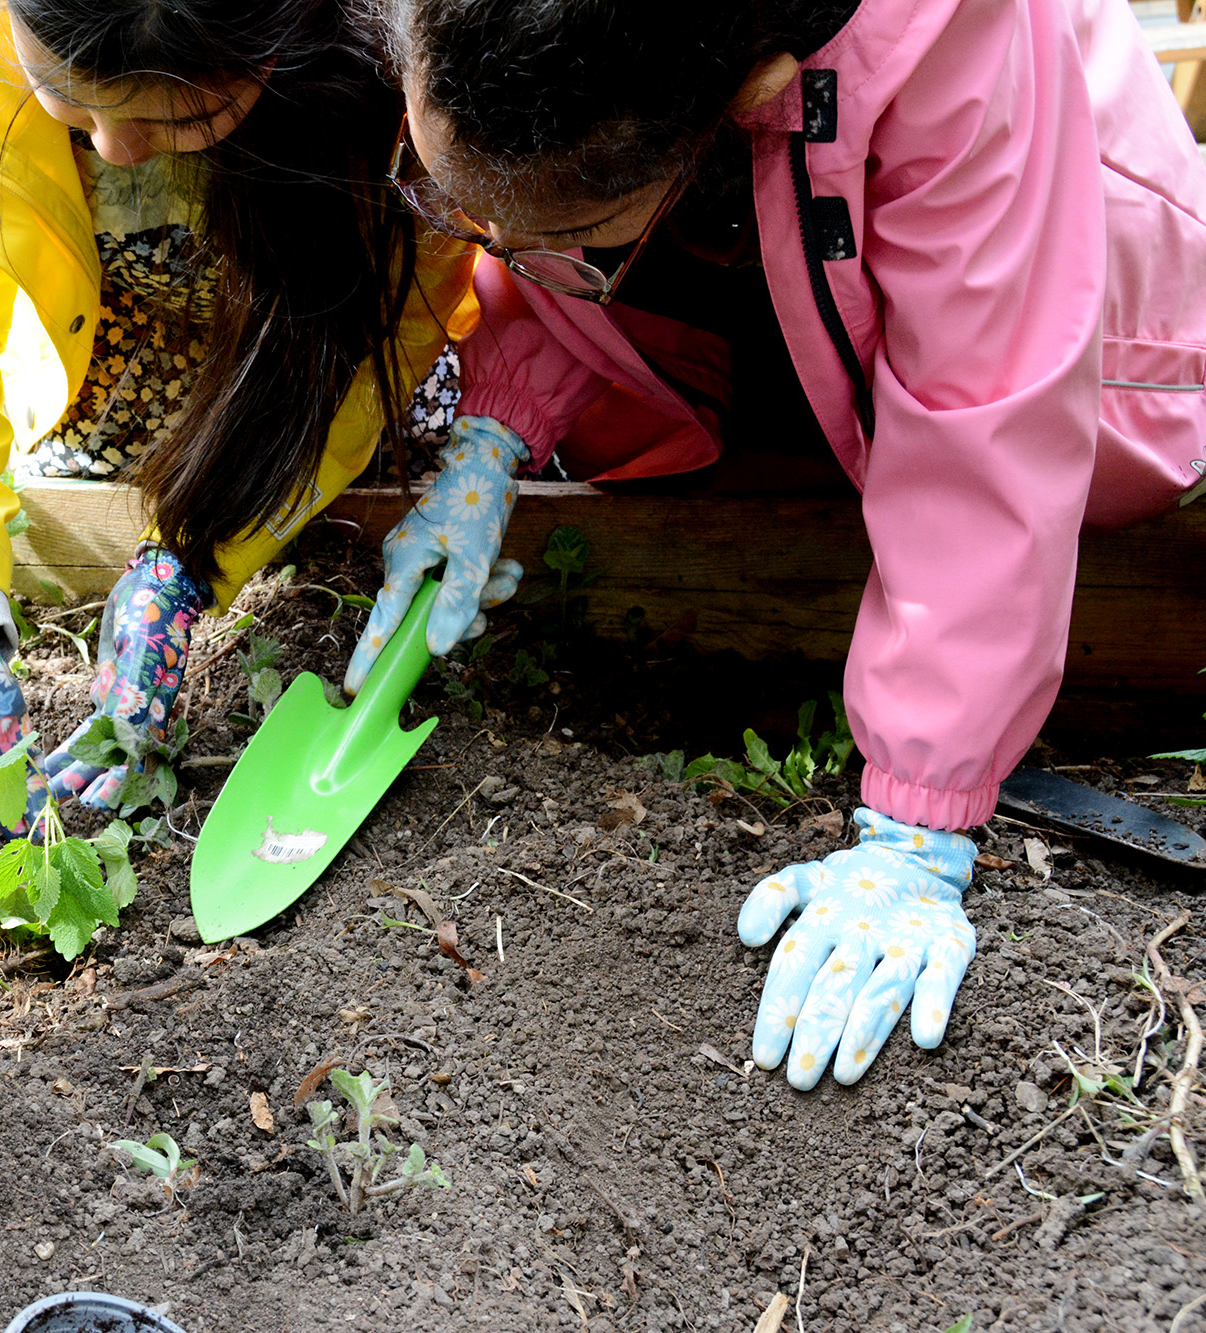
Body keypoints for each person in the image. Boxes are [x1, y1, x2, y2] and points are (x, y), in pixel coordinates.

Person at [366, 0, 1206, 1089]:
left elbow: (982, 429)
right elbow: (531, 183)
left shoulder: (960, 53)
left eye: (562, 240)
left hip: (1082, 324)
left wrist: (918, 813)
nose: (500, 251)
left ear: (747, 100)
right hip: (790, 243)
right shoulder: (554, 66)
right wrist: (494, 429)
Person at [0, 0, 478, 862]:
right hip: (101, 356)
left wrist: (201, 549)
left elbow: (378, 341)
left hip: (301, 349)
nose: (112, 147)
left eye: (177, 114)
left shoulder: (399, 49)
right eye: (63, 93)